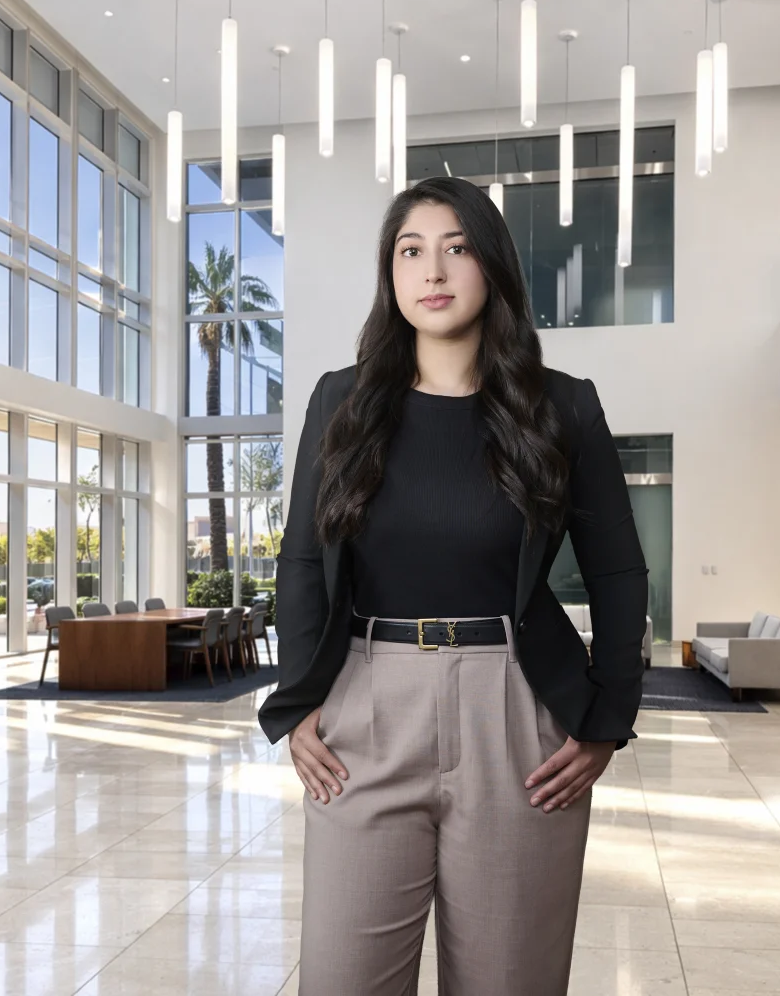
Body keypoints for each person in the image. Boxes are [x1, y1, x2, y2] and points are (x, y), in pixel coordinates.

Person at [257, 176, 649, 995]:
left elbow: (617, 572)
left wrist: (608, 719)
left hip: (518, 712)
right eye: (411, 251)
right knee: (341, 977)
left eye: (456, 247)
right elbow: (300, 561)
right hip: (367, 706)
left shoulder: (562, 408)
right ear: (391, 275)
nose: (432, 270)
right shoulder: (343, 401)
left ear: (491, 266)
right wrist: (298, 703)